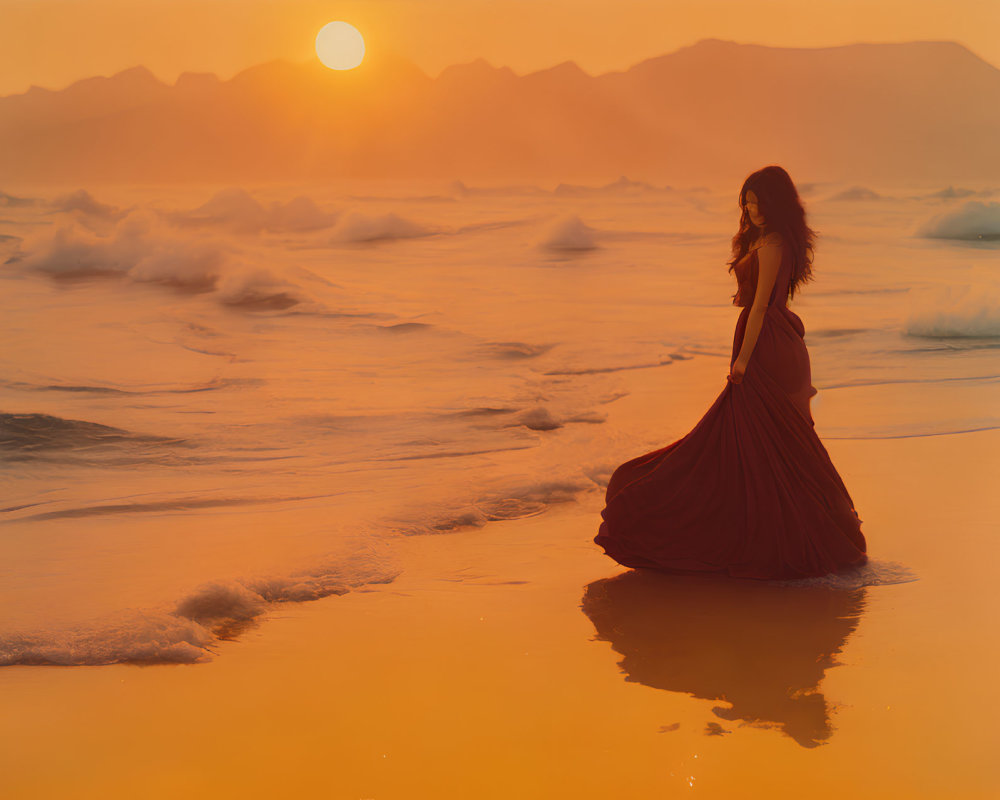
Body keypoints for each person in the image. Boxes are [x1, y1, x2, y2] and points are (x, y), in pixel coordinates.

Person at [594, 165, 868, 580]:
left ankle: (785, 537)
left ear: (776, 204)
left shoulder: (774, 243)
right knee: (769, 445)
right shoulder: (773, 240)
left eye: (759, 202)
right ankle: (786, 531)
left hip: (767, 346)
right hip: (772, 341)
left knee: (762, 443)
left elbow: (760, 308)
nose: (753, 210)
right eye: (747, 203)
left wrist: (742, 361)